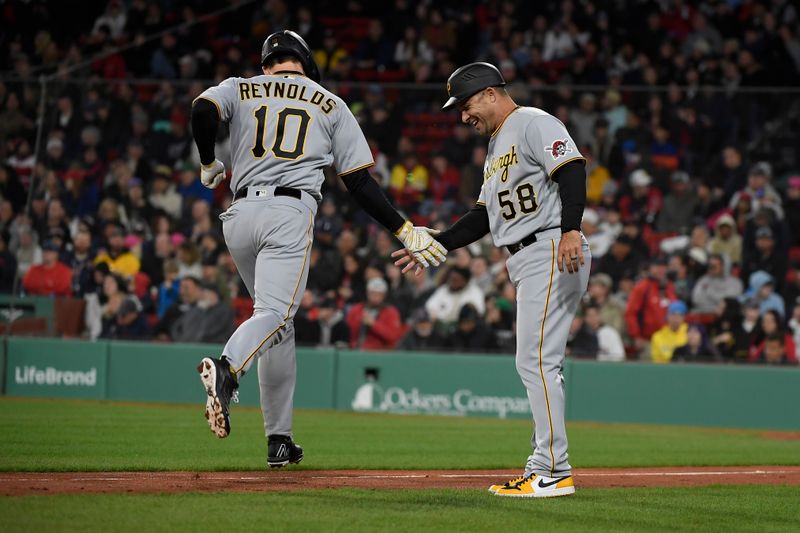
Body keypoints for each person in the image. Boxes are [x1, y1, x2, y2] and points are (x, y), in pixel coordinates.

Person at [190, 31, 446, 467]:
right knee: (274, 314)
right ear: (306, 64)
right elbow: (360, 183)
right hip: (288, 211)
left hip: (239, 216)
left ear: (268, 64)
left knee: (277, 325)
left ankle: (280, 440)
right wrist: (403, 229)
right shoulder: (329, 101)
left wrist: (208, 160)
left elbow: (201, 109)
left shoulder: (241, 86)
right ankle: (228, 371)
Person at [394, 62, 590, 497]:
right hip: (528, 255)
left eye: (465, 105)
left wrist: (571, 229)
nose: (463, 116)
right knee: (537, 361)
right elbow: (484, 217)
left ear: (489, 93)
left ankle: (554, 471)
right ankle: (544, 462)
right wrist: (437, 242)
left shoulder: (533, 122)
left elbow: (571, 169)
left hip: (550, 247)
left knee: (536, 361)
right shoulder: (498, 144)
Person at [345, 277, 403, 350]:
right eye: (372, 293)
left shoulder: (391, 312)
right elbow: (348, 332)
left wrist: (374, 324)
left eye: (379, 294)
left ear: (384, 295)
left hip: (380, 352)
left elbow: (393, 336)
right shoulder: (356, 309)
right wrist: (360, 322)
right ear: (367, 293)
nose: (375, 297)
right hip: (357, 349)